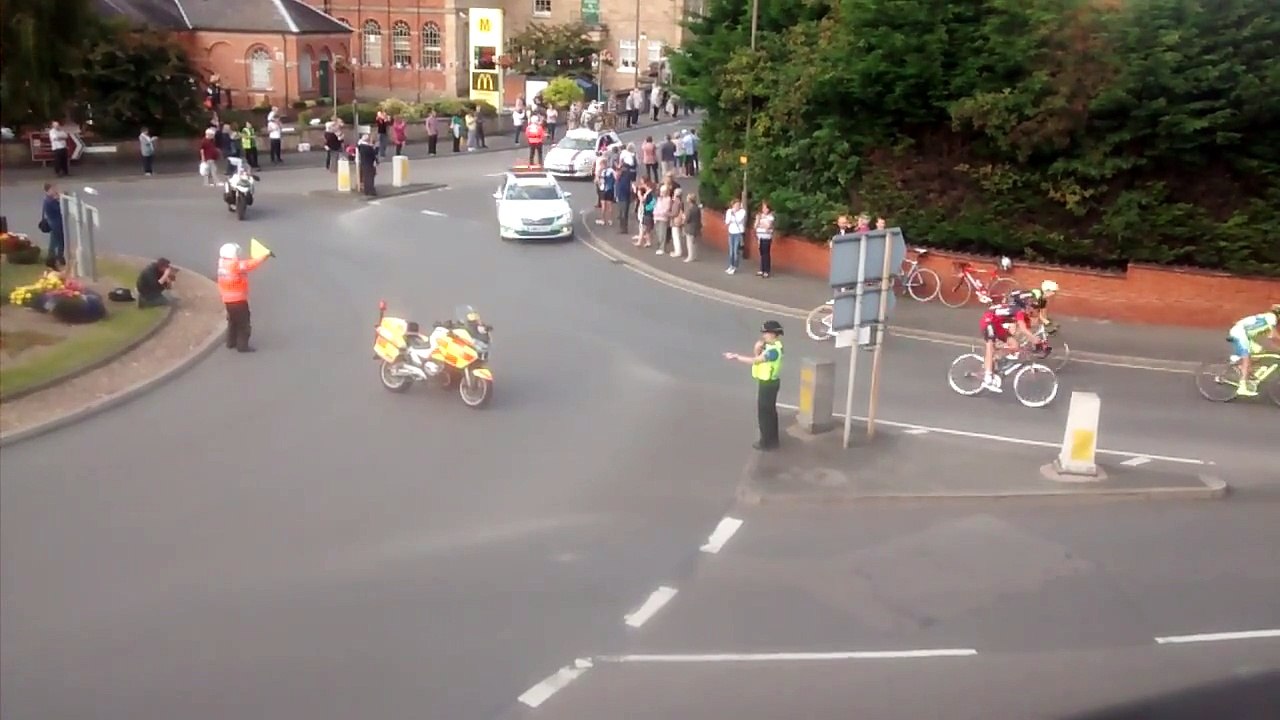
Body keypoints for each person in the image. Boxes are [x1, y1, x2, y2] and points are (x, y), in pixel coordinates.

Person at [724, 320, 785, 450]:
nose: (764, 336)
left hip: (768, 385)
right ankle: (773, 440)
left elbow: (755, 360)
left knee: (764, 415)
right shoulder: (774, 346)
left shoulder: (773, 351)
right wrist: (757, 348)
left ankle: (766, 443)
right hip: (768, 382)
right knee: (770, 413)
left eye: (766, 333)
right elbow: (758, 356)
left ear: (773, 334)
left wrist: (736, 357)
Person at [217, 242, 272, 352]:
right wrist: (264, 256)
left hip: (227, 299)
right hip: (238, 300)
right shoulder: (234, 265)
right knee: (243, 323)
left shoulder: (222, 263)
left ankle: (231, 342)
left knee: (232, 320)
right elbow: (250, 264)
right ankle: (242, 346)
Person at [980, 301, 1043, 392]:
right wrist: (1034, 339)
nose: (1033, 313)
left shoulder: (1019, 311)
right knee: (990, 347)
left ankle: (996, 357)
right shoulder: (1019, 311)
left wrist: (1031, 338)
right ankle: (988, 378)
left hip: (996, 324)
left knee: (1015, 345)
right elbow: (1023, 329)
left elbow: (1021, 328)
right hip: (988, 321)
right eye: (1034, 311)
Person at [1228, 304, 1280, 396]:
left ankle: (1244, 368)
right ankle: (1242, 388)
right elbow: (1273, 335)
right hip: (1239, 333)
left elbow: (1270, 338)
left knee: (1260, 352)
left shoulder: (1267, 319)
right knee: (1247, 357)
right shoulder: (1272, 317)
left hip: (1244, 334)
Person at [40, 183, 65, 265]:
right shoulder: (50, 201)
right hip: (55, 223)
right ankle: (59, 257)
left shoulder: (48, 199)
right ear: (48, 190)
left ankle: (50, 258)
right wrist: (59, 199)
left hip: (52, 222)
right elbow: (59, 208)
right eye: (52, 189)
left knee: (53, 241)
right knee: (60, 241)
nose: (54, 191)